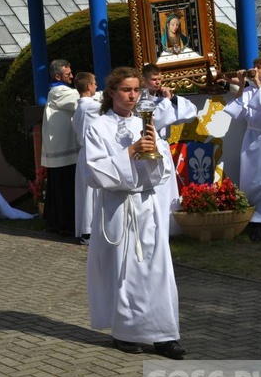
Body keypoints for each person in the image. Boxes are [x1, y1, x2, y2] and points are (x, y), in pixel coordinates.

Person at [84, 67, 186, 360]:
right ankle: (125, 333)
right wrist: (129, 152)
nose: (132, 96)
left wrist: (155, 150)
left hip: (148, 205)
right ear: (112, 93)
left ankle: (166, 335)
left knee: (158, 271)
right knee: (125, 271)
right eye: (126, 90)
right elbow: (95, 171)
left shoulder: (147, 122)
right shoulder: (98, 127)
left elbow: (163, 169)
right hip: (118, 205)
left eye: (136, 90)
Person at [141, 63, 198, 235]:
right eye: (153, 79)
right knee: (155, 188)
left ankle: (169, 226)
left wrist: (172, 99)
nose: (158, 83)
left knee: (167, 188)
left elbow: (190, 113)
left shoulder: (163, 99)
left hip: (163, 146)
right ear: (144, 81)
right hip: (149, 145)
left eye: (159, 79)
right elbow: (156, 120)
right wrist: (166, 101)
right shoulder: (140, 100)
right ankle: (154, 227)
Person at [223, 57, 261, 242]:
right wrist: (242, 84)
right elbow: (237, 111)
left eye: (260, 67)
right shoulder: (250, 90)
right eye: (255, 66)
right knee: (254, 181)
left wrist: (258, 84)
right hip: (253, 139)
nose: (255, 69)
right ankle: (257, 222)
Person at [41, 59, 79, 235]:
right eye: (67, 74)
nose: (71, 76)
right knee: (64, 189)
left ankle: (57, 222)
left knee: (59, 188)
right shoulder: (59, 91)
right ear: (57, 76)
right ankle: (64, 224)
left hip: (61, 147)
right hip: (63, 148)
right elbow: (82, 99)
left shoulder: (60, 90)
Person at [71, 72, 101, 245]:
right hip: (92, 152)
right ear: (88, 86)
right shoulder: (90, 106)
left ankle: (87, 229)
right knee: (91, 191)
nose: (96, 86)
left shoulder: (80, 108)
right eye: (95, 83)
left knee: (86, 191)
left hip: (85, 153)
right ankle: (89, 231)